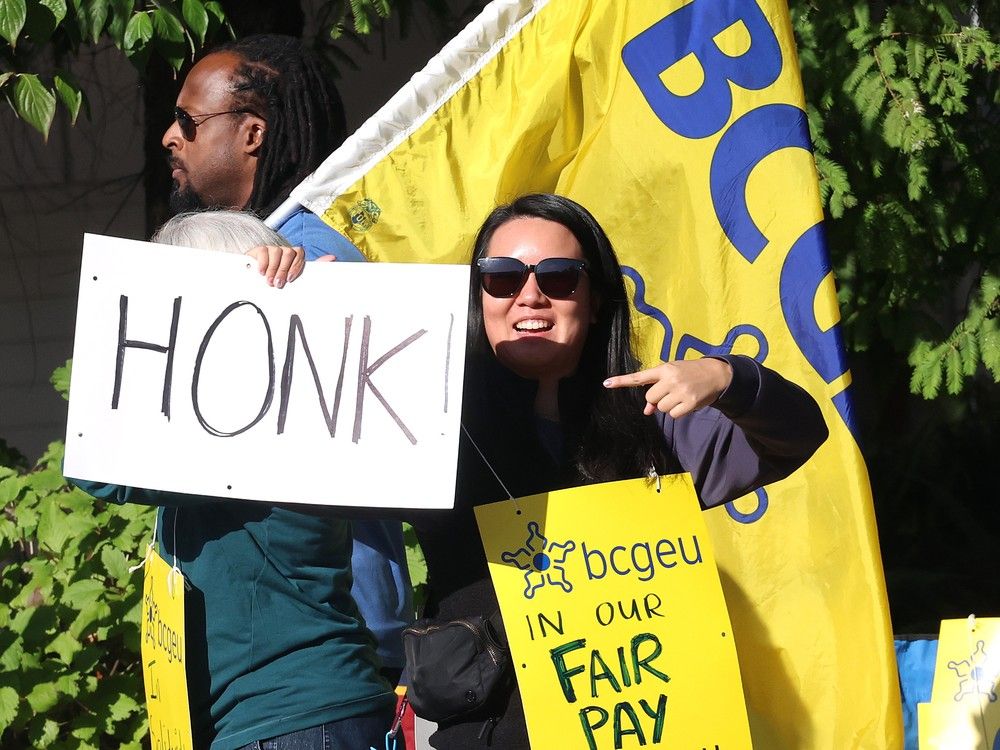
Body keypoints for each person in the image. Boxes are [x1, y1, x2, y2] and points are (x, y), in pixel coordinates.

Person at [409, 193, 830, 748]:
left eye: (559, 277)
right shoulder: (425, 422)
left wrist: (731, 377)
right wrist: (303, 296)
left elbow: (799, 434)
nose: (529, 295)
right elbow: (309, 471)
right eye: (502, 277)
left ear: (598, 298)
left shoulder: (657, 418)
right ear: (478, 295)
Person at [68, 210, 403, 750]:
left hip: (286, 718)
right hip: (314, 710)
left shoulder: (242, 435)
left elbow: (93, 466)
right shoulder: (272, 418)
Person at [161, 33, 413, 685]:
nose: (169, 136)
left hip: (322, 650)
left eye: (188, 121)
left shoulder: (310, 270)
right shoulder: (239, 258)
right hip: (259, 653)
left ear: (252, 132)